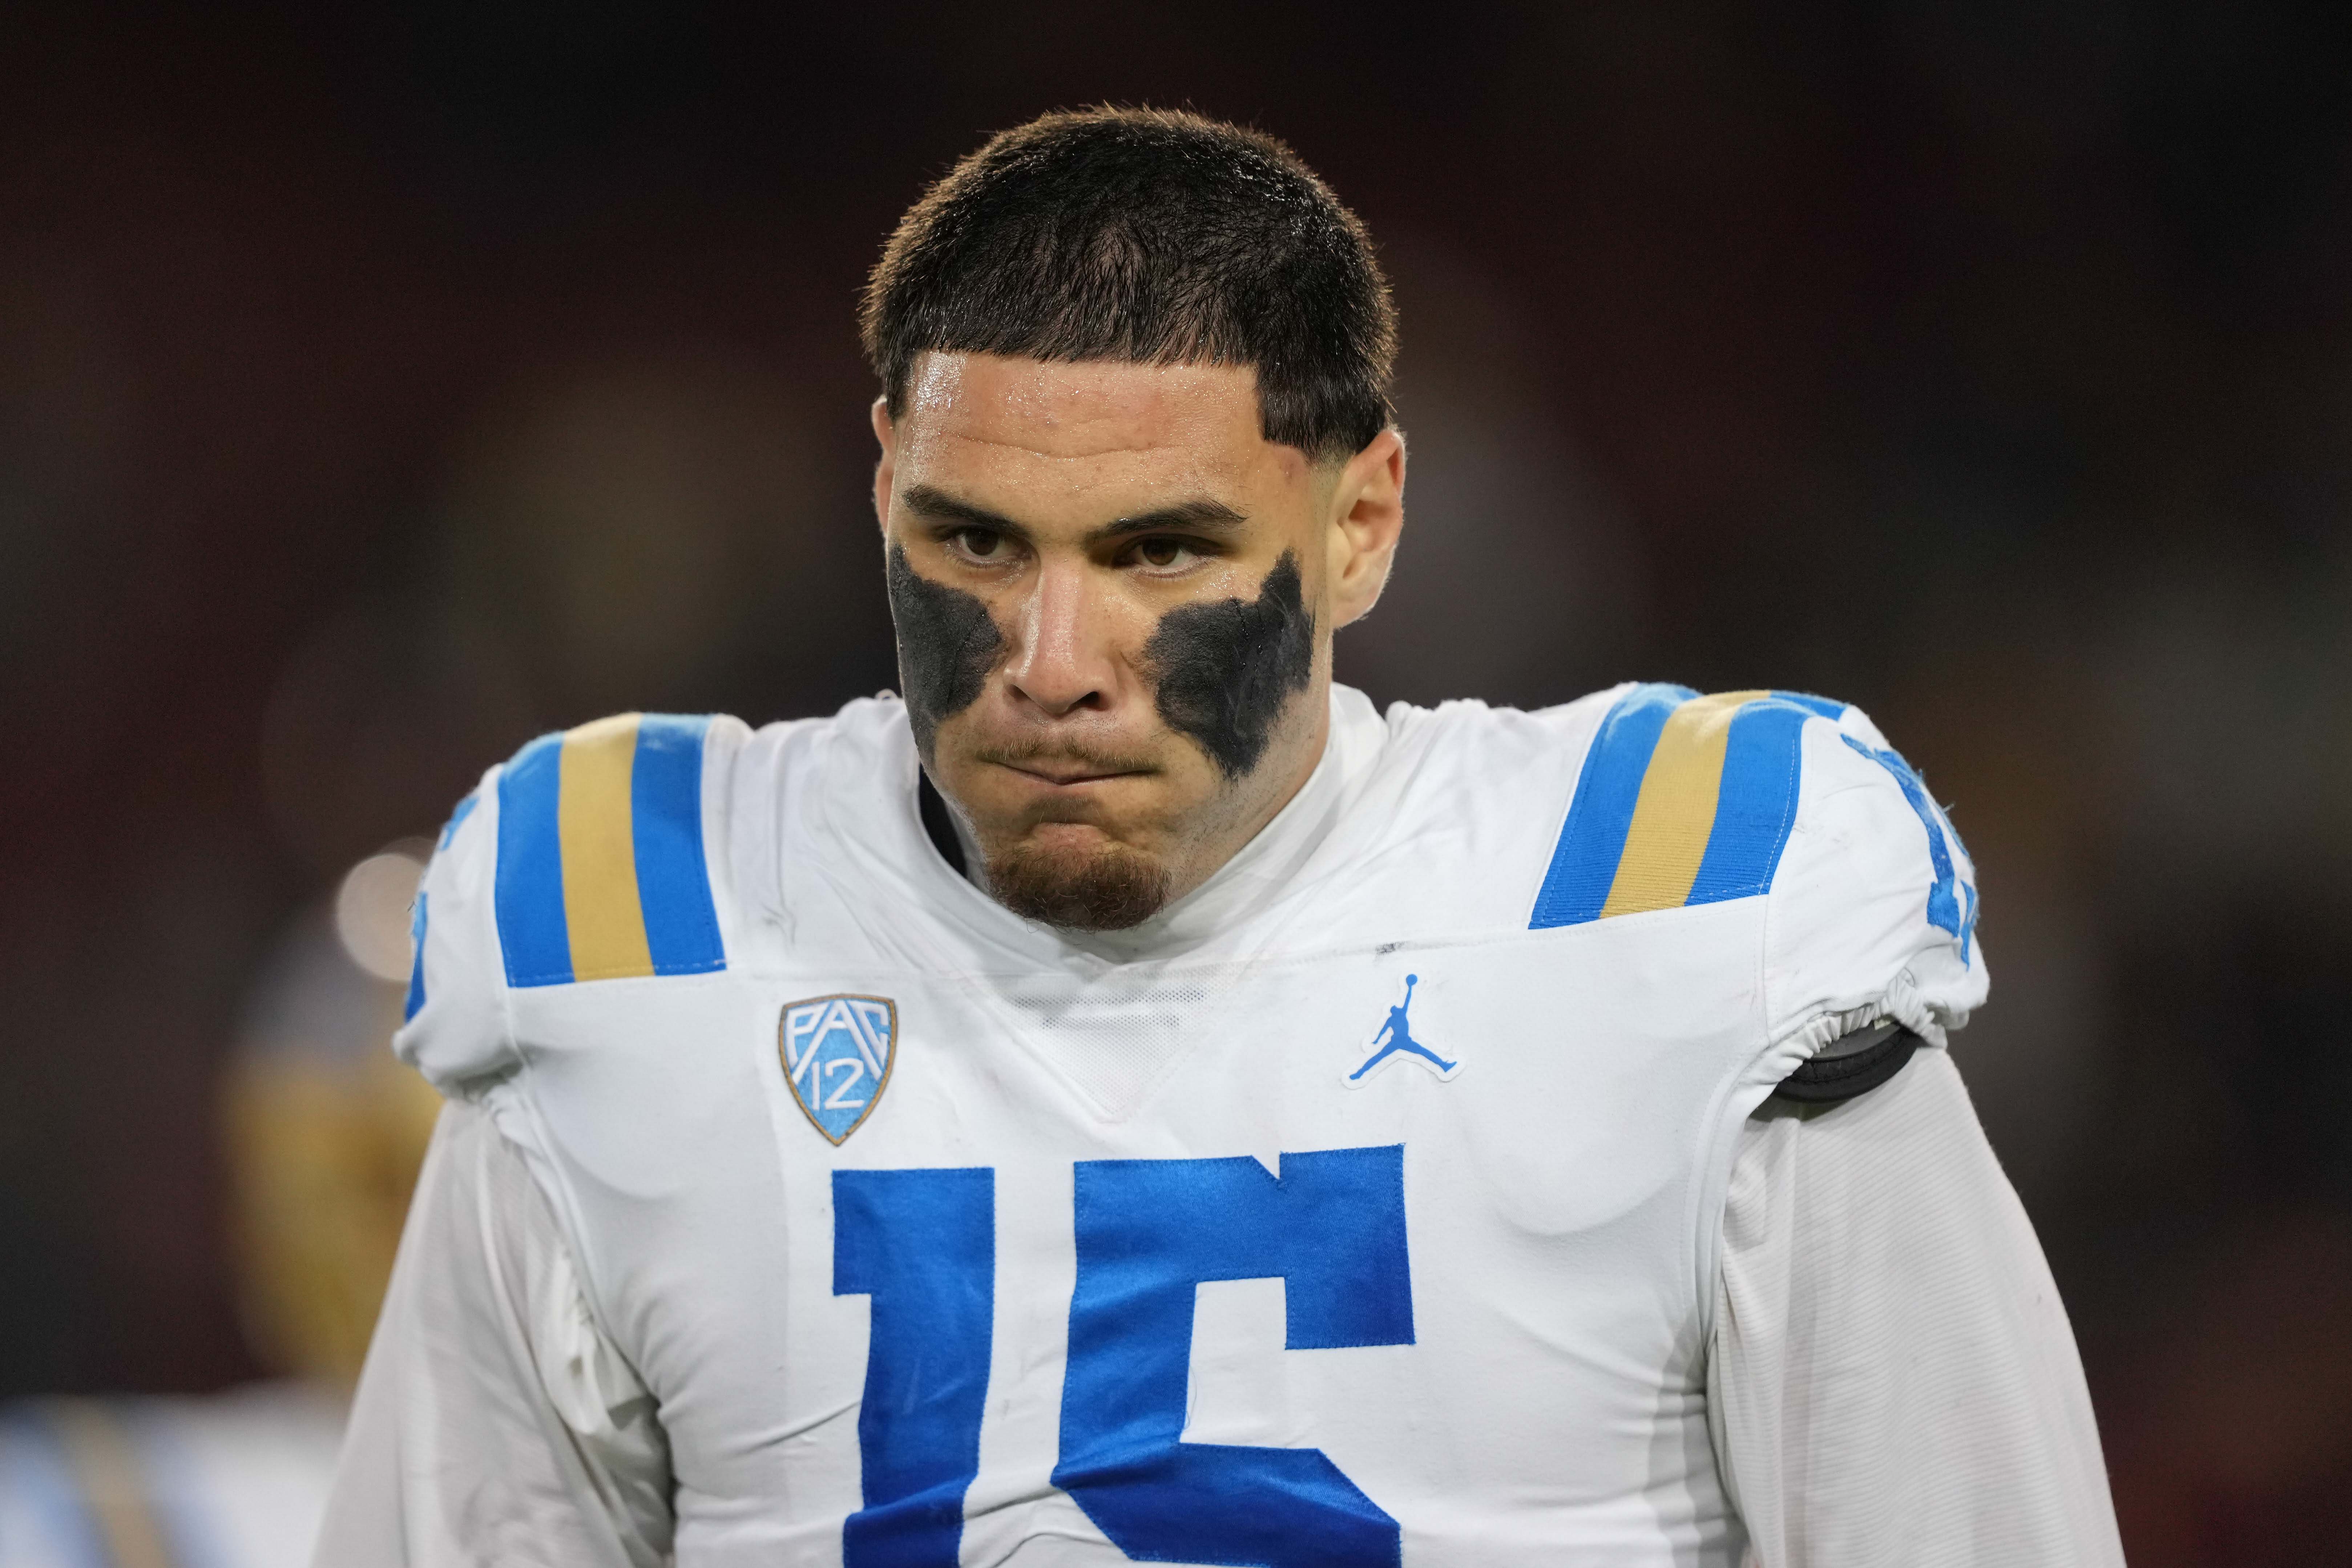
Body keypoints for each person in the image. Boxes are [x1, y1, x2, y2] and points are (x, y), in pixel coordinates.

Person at [318, 108, 2125, 1566]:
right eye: (973, 544)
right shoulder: (639, 927)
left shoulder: (1686, 912)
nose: (1047, 666)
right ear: (880, 488)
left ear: (1360, 522)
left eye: (1156, 554)